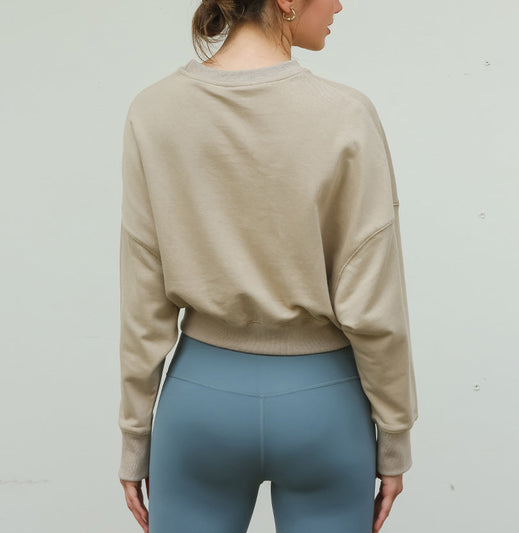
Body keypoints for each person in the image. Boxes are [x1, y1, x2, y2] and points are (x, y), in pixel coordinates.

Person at [117, 0, 419, 532]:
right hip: (323, 405)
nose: (340, 4)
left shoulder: (154, 109)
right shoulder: (346, 114)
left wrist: (134, 438)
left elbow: (144, 299)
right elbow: (374, 301)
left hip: (201, 401)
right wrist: (394, 436)